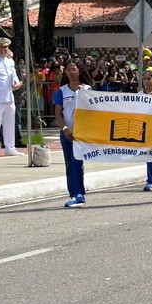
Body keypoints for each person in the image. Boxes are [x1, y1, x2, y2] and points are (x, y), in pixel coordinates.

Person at [54, 60, 92, 208]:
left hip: (81, 134)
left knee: (76, 162)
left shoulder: (87, 89)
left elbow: (93, 110)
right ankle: (73, 194)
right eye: (68, 70)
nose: (71, 72)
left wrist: (84, 94)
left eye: (73, 69)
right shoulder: (62, 91)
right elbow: (58, 113)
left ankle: (79, 194)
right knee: (69, 164)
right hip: (67, 133)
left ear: (79, 71)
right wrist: (65, 129)